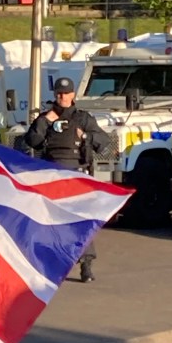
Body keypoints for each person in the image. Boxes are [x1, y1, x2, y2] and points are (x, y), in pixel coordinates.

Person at [24, 76, 110, 283]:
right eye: (59, 93)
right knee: (51, 221)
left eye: (66, 93)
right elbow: (32, 140)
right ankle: (51, 264)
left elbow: (104, 143)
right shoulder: (46, 117)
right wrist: (45, 121)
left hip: (77, 175)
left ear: (73, 94)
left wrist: (85, 137)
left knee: (80, 221)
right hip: (53, 175)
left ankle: (86, 265)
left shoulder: (83, 118)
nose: (62, 96)